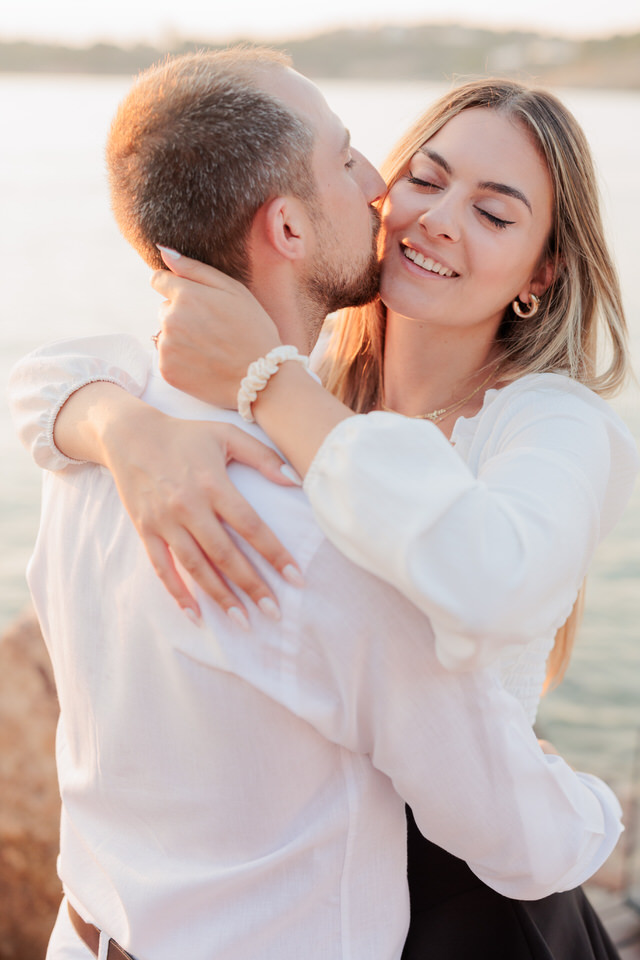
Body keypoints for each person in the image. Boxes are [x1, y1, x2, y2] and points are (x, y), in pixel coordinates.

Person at [9, 63, 636, 960]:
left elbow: (489, 577)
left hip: (470, 890)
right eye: (425, 177)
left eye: (494, 214)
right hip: (324, 879)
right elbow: (49, 376)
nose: (434, 217)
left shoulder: (552, 424)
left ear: (543, 270)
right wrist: (119, 427)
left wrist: (268, 381)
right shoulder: (312, 382)